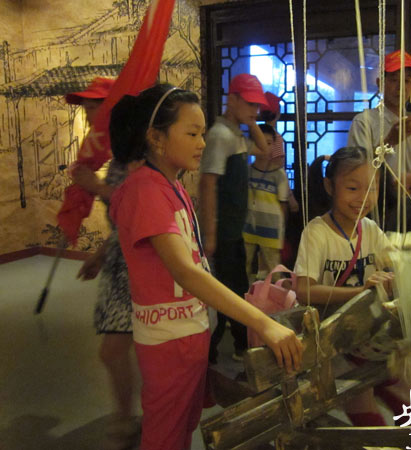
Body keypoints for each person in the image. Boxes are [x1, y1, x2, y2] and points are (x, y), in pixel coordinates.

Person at [108, 84, 303, 450]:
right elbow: (185, 271)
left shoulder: (170, 185)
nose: (201, 143)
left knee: (180, 428)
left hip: (187, 333)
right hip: (169, 340)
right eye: (192, 134)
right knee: (165, 437)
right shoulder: (145, 191)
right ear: (156, 137)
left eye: (202, 133)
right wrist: (261, 322)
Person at [295, 146, 411, 429]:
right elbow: (304, 290)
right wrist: (361, 292)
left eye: (371, 189)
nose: (363, 198)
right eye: (352, 188)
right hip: (332, 342)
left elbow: (397, 264)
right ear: (330, 187)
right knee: (364, 409)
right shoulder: (317, 233)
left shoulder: (370, 230)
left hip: (369, 337)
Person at [68, 77, 142, 450]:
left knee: (113, 351)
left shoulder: (134, 157)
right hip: (118, 263)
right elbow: (122, 220)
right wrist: (100, 254)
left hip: (134, 268)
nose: (88, 115)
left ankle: (126, 420)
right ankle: (130, 417)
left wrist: (94, 186)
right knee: (122, 350)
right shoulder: (118, 156)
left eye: (94, 107)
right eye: (86, 108)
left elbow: (138, 204)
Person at [199, 74, 270, 363]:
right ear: (233, 99)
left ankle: (232, 345)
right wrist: (210, 235)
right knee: (226, 291)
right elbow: (207, 184)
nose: (256, 110)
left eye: (258, 105)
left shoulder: (236, 133)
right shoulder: (220, 135)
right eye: (250, 103)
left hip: (233, 229)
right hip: (223, 230)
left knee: (233, 287)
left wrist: (251, 123)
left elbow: (265, 150)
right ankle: (229, 348)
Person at [347, 50, 411, 233]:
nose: (401, 87)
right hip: (375, 206)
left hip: (407, 204)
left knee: (408, 251)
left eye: (406, 81)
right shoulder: (364, 122)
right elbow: (355, 169)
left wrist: (409, 179)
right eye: (393, 80)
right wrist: (390, 140)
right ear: (380, 83)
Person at [243, 123, 290, 282]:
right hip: (248, 227)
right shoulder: (247, 171)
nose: (265, 147)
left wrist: (282, 230)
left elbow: (283, 204)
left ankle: (279, 296)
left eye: (269, 143)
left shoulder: (279, 174)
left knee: (274, 269)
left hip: (271, 228)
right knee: (244, 266)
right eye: (260, 142)